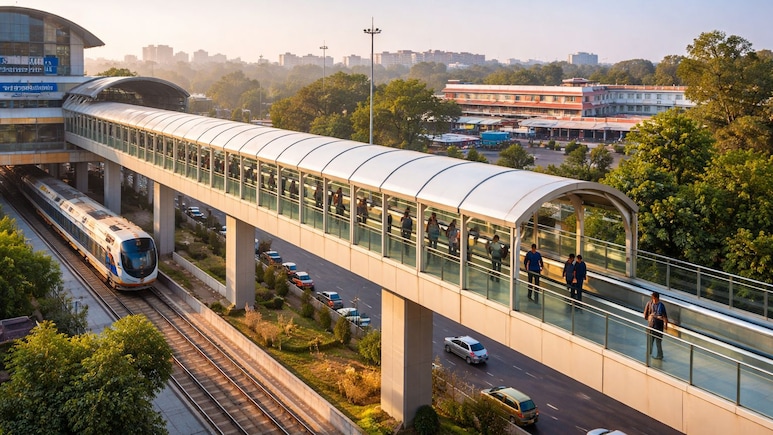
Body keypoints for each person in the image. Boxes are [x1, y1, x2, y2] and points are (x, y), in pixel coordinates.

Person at [643, 292, 669, 360]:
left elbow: (665, 317)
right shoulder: (649, 303)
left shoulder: (661, 306)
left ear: (657, 298)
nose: (653, 299)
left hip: (659, 326)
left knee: (658, 342)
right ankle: (649, 353)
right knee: (650, 341)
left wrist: (665, 326)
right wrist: (649, 317)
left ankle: (659, 355)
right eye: (652, 298)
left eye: (654, 298)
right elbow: (645, 315)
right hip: (651, 326)